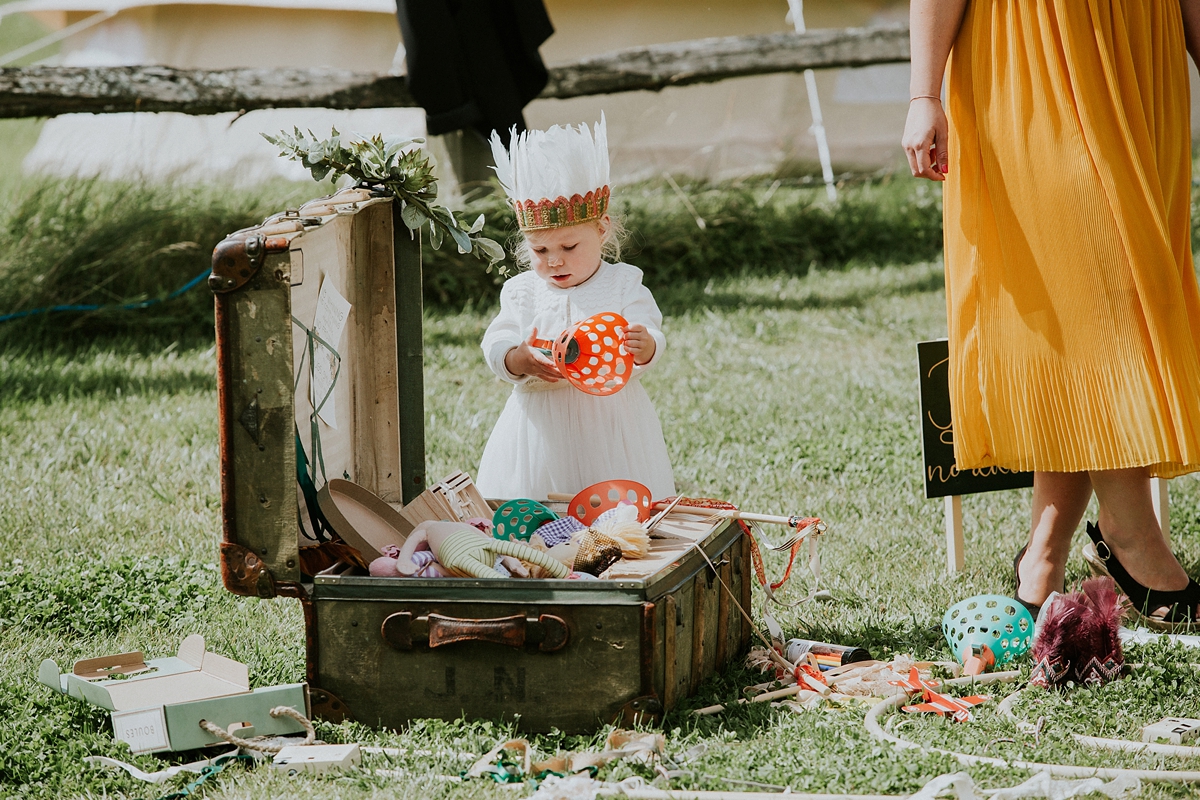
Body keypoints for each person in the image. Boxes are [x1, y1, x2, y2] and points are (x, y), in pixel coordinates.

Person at [904, 0, 1200, 627]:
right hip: (1031, 48)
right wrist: (922, 94)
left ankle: (1043, 556)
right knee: (1100, 292)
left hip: (1141, 54)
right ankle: (1130, 534)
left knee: (1101, 300)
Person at [476, 117, 676, 501]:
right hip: (541, 423)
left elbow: (648, 327)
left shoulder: (622, 283)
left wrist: (647, 345)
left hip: (609, 423)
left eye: (569, 248)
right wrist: (517, 357)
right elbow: (497, 339)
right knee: (542, 510)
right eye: (540, 250)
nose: (554, 261)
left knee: (610, 512)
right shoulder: (522, 291)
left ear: (601, 230)